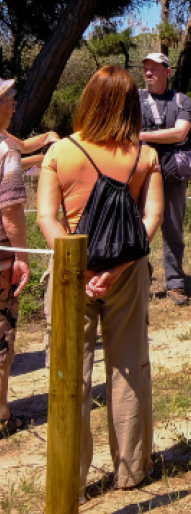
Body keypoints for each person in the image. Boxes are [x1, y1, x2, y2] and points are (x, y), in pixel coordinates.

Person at [36, 66, 164, 493]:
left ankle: (69, 475)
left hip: (72, 271)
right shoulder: (144, 156)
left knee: (70, 371)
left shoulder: (60, 153)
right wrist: (117, 268)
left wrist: (78, 267)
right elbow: (153, 217)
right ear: (131, 105)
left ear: (88, 99)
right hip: (127, 271)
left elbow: (46, 218)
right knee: (128, 366)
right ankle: (131, 469)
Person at [138, 53, 191, 306]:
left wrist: (140, 136)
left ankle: (175, 284)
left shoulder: (181, 100)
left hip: (172, 172)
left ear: (167, 72)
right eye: (146, 69)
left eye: (154, 69)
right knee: (137, 228)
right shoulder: (134, 98)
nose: (149, 73)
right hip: (138, 173)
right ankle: (139, 282)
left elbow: (180, 133)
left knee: (173, 229)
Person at [0, 80, 31, 439]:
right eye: (10, 99)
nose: (15, 102)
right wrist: (22, 256)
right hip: (2, 257)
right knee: (1, 330)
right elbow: (10, 210)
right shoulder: (7, 149)